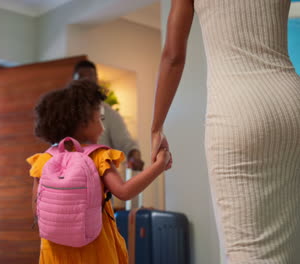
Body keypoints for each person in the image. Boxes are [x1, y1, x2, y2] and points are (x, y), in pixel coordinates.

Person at [151, 0, 300, 263]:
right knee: (290, 243)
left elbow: (173, 56)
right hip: (291, 101)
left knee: (243, 249)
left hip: (237, 108)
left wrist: (156, 127)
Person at [27, 80, 171, 263]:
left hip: (55, 250)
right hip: (94, 247)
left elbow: (37, 211)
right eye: (99, 120)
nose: (102, 127)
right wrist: (159, 166)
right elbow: (124, 192)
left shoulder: (44, 160)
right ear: (82, 124)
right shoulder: (96, 156)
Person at [73, 60, 144, 171]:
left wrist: (135, 158)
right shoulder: (66, 114)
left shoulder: (110, 114)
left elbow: (127, 145)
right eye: (82, 80)